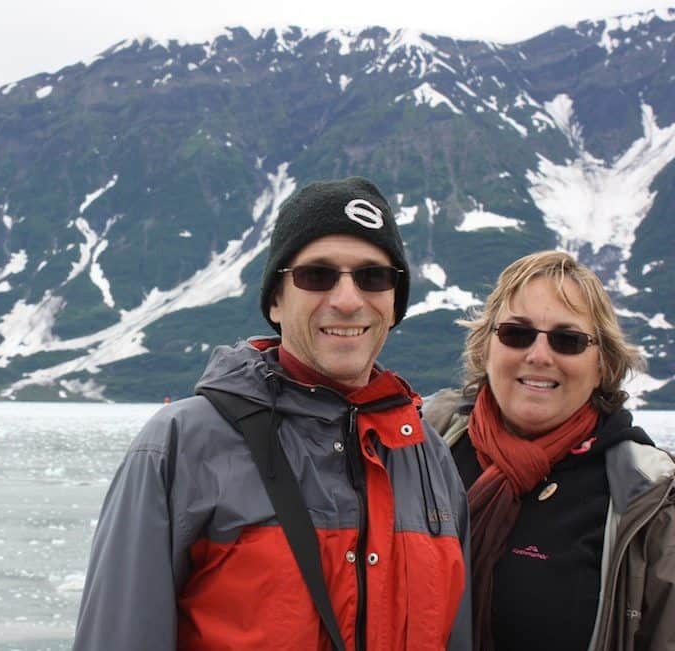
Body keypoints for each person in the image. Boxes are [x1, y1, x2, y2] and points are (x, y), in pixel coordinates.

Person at [74, 177, 472, 650]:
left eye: (373, 277)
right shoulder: (181, 445)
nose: (347, 300)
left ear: (394, 302)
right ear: (276, 300)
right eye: (317, 275)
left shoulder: (425, 455)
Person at [425, 251, 675, 650]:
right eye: (516, 334)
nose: (539, 355)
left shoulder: (647, 500)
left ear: (602, 365)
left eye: (568, 340)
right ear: (486, 347)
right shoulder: (423, 444)